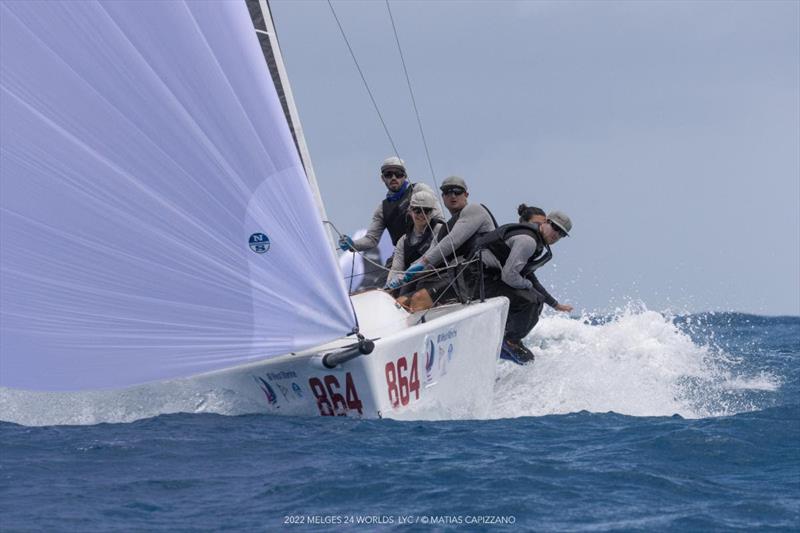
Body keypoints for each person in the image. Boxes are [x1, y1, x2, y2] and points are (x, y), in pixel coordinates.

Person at [475, 208, 573, 365]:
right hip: (475, 279)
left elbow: (530, 279)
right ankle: (510, 341)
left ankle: (502, 341)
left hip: (487, 278)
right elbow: (510, 276)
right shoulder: (528, 241)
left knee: (536, 299)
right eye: (554, 227)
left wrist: (555, 304)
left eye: (561, 234)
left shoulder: (537, 241)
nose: (556, 234)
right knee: (531, 300)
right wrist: (527, 285)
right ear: (545, 222)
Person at [400, 176, 497, 311]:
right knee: (402, 301)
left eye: (457, 192)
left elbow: (452, 242)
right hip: (461, 276)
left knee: (419, 299)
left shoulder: (475, 209)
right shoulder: (445, 228)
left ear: (466, 195)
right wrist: (401, 277)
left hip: (482, 276)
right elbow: (431, 254)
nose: (452, 196)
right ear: (443, 197)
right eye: (447, 192)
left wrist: (421, 263)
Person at [338, 157, 441, 252]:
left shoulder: (418, 189)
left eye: (398, 174)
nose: (393, 178)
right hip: (404, 252)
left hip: (429, 244)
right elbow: (371, 239)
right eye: (388, 174)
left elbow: (438, 218)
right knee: (388, 271)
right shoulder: (382, 209)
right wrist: (352, 244)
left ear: (405, 176)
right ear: (382, 178)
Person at [385, 190, 445, 309]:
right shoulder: (403, 240)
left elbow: (433, 254)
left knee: (405, 301)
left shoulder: (439, 230)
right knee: (395, 302)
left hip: (435, 280)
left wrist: (410, 273)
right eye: (417, 210)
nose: (421, 214)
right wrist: (389, 285)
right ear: (410, 211)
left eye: (426, 210)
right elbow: (396, 268)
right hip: (412, 283)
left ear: (432, 212)